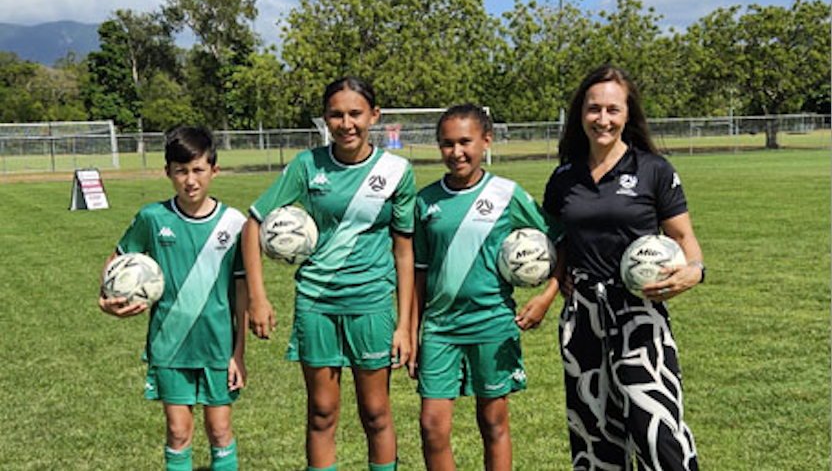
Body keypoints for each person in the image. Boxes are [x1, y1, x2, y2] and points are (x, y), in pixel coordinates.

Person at [241, 76, 415, 471]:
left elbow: (404, 252)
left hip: (371, 303)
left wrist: (404, 326)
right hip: (316, 304)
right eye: (336, 115)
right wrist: (258, 297)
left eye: (355, 113)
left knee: (376, 413)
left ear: (374, 115)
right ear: (324, 119)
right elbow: (253, 224)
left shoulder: (397, 171)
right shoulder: (307, 165)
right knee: (321, 411)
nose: (347, 123)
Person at [543, 65, 704, 471]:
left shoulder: (654, 170)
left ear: (628, 114)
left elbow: (685, 239)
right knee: (593, 433)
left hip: (639, 313)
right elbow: (558, 242)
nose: (603, 119)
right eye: (594, 109)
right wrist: (551, 287)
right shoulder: (563, 177)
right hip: (582, 316)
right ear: (580, 113)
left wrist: (695, 270)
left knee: (657, 428)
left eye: (613, 109)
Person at [409, 104, 562, 471]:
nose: (456, 152)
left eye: (465, 141)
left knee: (493, 422)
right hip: (440, 328)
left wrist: (546, 295)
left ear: (486, 141)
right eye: (447, 143)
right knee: (432, 427)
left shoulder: (505, 194)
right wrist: (412, 330)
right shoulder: (426, 201)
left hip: (492, 322)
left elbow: (560, 239)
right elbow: (417, 273)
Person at [98, 125, 248, 471]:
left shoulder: (234, 223)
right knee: (179, 432)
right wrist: (106, 299)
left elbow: (242, 293)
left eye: (198, 170)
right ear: (168, 172)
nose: (190, 180)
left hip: (217, 346)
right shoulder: (153, 218)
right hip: (170, 344)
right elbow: (116, 263)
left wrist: (238, 354)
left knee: (220, 429)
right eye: (181, 171)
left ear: (214, 169)